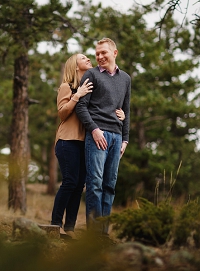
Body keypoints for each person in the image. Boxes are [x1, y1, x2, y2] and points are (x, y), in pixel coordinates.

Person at [50, 53, 125, 238]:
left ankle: (69, 228)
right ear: (75, 66)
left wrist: (120, 114)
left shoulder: (90, 87)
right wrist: (77, 96)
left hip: (86, 143)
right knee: (69, 182)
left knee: (79, 186)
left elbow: (101, 110)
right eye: (83, 58)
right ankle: (55, 224)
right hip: (67, 141)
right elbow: (62, 113)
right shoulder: (66, 87)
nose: (89, 59)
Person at [74, 38, 131, 236]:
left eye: (103, 53)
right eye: (97, 53)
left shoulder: (126, 79)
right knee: (95, 184)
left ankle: (103, 233)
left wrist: (125, 139)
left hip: (116, 137)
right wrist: (94, 130)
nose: (99, 57)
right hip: (97, 135)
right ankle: (93, 235)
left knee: (109, 185)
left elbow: (126, 110)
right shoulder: (91, 74)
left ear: (114, 53)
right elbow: (81, 106)